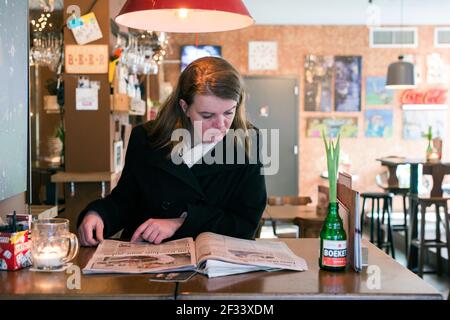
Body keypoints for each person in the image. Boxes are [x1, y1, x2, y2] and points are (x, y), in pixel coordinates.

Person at [77, 57, 267, 246]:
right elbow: (125, 200)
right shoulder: (147, 138)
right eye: (207, 115)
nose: (220, 125)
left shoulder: (247, 143)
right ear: (185, 107)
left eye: (228, 112)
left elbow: (245, 223)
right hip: (147, 257)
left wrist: (181, 223)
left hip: (216, 265)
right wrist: (98, 214)